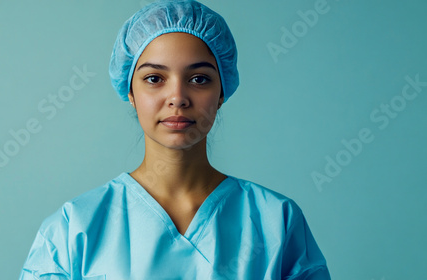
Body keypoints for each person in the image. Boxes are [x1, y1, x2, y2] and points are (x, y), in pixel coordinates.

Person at [19, 0, 331, 279]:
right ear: (130, 92)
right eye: (154, 78)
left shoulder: (276, 223)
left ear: (221, 92)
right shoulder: (74, 230)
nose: (177, 97)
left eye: (199, 79)